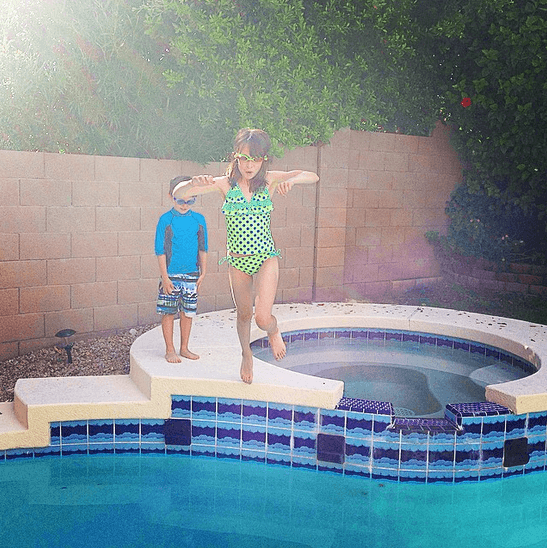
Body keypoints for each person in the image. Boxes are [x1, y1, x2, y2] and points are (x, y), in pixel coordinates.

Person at [174, 128, 319, 384]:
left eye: (255, 158)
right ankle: (246, 354)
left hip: (265, 258)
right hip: (238, 262)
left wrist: (293, 180)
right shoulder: (224, 184)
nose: (249, 164)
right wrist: (193, 184)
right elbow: (180, 193)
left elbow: (313, 176)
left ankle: (273, 331)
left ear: (264, 159)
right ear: (235, 157)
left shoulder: (270, 180)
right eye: (243, 158)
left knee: (262, 318)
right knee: (243, 315)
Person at [155, 176, 208, 363]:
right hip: (171, 275)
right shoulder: (166, 220)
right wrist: (165, 277)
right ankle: (170, 349)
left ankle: (184, 348)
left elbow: (203, 248)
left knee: (188, 313)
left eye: (190, 201)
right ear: (171, 196)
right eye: (180, 201)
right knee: (168, 312)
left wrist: (203, 273)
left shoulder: (199, 220)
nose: (185, 205)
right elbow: (160, 251)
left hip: (192, 275)